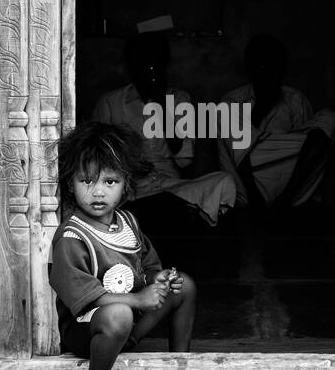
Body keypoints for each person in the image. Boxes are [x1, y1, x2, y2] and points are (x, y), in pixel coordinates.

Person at [48, 121, 198, 370]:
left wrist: (160, 281)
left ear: (125, 184)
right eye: (86, 181)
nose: (98, 192)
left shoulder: (128, 223)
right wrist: (139, 300)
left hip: (126, 325)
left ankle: (181, 363)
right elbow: (89, 299)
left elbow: (148, 269)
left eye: (110, 182)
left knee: (186, 285)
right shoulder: (71, 237)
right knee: (119, 313)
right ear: (70, 185)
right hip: (89, 331)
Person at [90, 33, 236, 226]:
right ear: (132, 67)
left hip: (170, 186)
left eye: (156, 64)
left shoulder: (179, 100)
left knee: (223, 181)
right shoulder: (110, 103)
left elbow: (184, 160)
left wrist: (161, 105)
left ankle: (171, 208)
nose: (151, 71)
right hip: (128, 187)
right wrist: (129, 166)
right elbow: (95, 157)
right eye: (144, 64)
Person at [218, 33, 335, 210]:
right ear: (250, 69)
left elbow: (304, 152)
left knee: (330, 117)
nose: (269, 74)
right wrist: (261, 106)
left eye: (274, 68)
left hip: (288, 191)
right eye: (262, 67)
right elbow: (241, 160)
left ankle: (284, 203)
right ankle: (274, 205)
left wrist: (285, 200)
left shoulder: (295, 100)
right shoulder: (232, 102)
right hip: (247, 192)